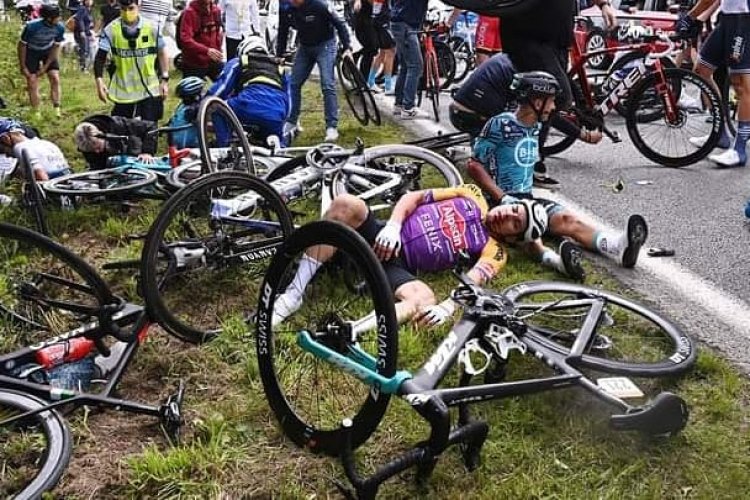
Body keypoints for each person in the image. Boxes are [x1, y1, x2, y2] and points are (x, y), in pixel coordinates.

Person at [271, 184, 548, 327]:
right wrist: (393, 225)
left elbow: (473, 281)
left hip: (399, 266)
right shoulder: (471, 195)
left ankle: (353, 331)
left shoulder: (495, 251)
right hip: (382, 234)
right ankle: (293, 296)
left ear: (513, 238)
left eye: (515, 223)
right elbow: (413, 198)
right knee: (346, 204)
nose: (507, 215)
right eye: (514, 209)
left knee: (424, 298)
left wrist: (447, 308)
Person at [467, 72, 648, 279]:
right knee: (530, 236)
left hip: (527, 199)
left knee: (567, 219)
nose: (553, 107)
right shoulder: (501, 124)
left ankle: (618, 246)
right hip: (501, 202)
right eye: (551, 101)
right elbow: (474, 165)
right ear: (537, 101)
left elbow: (560, 121)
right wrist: (502, 197)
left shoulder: (536, 124)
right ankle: (558, 263)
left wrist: (586, 132)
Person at [499, 0, 617, 186]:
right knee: (556, 96)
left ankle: (529, 161)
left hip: (556, 42)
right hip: (528, 38)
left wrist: (603, 4)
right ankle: (518, 160)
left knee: (548, 99)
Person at [449, 53, 604, 146]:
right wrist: (584, 135)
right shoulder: (529, 73)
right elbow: (546, 112)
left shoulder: (521, 58)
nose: (553, 104)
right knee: (528, 121)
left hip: (462, 111)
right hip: (472, 116)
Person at [681, 0, 750, 167]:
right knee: (701, 70)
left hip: (743, 19)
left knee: (741, 84)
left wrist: (690, 16)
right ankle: (720, 133)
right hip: (727, 18)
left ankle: (739, 150)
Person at [278, 0, 352, 142]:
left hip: (325, 44)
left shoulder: (319, 4)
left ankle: (331, 126)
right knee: (294, 83)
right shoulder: (286, 8)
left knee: (327, 84)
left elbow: (339, 24)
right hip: (305, 47)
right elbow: (283, 30)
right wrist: (279, 55)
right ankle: (292, 121)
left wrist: (347, 47)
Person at [207, 35, 291, 146]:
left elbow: (220, 89)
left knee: (218, 109)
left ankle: (223, 147)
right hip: (276, 113)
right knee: (277, 146)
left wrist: (202, 105)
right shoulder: (281, 69)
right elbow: (289, 103)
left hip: (246, 105)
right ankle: (280, 148)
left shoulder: (239, 61)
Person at [94, 0, 170, 123]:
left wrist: (164, 79)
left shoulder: (151, 27)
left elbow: (162, 52)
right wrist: (99, 81)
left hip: (149, 89)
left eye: (131, 8)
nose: (127, 12)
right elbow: (100, 57)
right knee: (122, 133)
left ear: (139, 6)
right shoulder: (111, 29)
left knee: (149, 132)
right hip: (124, 92)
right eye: (123, 9)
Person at [17, 3, 65, 118]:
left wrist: (45, 67)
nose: (59, 19)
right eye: (57, 16)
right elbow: (22, 46)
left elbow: (56, 46)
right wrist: (23, 66)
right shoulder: (31, 27)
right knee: (32, 80)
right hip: (31, 51)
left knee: (54, 77)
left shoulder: (60, 27)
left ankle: (57, 108)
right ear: (49, 18)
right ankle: (37, 112)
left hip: (48, 50)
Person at [73, 114, 158, 170]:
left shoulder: (118, 125)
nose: (97, 152)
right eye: (92, 151)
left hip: (133, 155)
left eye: (98, 147)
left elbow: (150, 126)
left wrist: (147, 152)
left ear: (102, 135)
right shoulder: (85, 143)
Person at [390, 0, 428, 119]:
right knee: (416, 66)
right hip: (406, 24)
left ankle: (399, 104)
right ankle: (408, 108)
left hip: (398, 21)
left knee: (405, 65)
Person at [0, 118, 70, 181]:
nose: (7, 155)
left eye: (3, 148)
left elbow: (41, 177)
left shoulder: (20, 147)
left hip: (54, 189)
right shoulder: (46, 143)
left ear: (5, 138)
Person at [179, 0, 225, 80]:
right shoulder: (189, 12)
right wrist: (206, 50)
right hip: (194, 63)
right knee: (190, 90)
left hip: (213, 60)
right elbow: (185, 39)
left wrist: (218, 47)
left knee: (228, 86)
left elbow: (218, 31)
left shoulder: (216, 10)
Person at [167, 76, 205, 148]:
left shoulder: (196, 109)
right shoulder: (183, 106)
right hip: (180, 146)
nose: (183, 100)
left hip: (187, 146)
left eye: (184, 97)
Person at [73, 0, 94, 72]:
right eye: (88, 0)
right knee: (84, 50)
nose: (90, 1)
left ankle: (85, 66)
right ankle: (83, 67)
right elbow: (79, 19)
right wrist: (82, 31)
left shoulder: (88, 9)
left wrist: (90, 34)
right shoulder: (82, 8)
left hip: (86, 32)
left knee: (86, 50)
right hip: (81, 33)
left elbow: (88, 22)